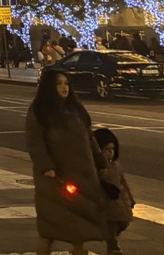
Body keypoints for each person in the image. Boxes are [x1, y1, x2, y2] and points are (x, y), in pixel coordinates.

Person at [24, 69, 111, 255]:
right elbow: (34, 141)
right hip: (56, 178)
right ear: (49, 86)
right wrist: (46, 167)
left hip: (82, 175)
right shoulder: (40, 110)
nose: (64, 87)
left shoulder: (75, 109)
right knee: (50, 227)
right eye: (59, 83)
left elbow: (90, 138)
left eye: (66, 83)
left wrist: (100, 162)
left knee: (80, 229)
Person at [92, 127, 133, 250]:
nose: (110, 152)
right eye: (107, 149)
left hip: (119, 199)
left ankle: (112, 240)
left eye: (112, 149)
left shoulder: (115, 165)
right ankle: (113, 246)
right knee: (110, 225)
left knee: (123, 222)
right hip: (105, 201)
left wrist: (130, 198)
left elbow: (123, 181)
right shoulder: (96, 166)